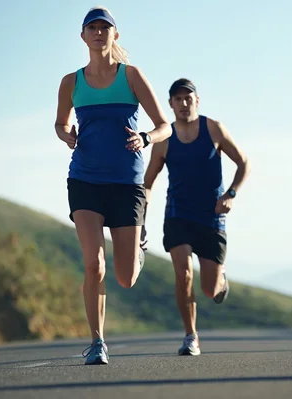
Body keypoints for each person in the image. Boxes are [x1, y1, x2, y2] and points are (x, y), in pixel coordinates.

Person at [54, 6, 172, 365]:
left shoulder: (131, 76)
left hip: (126, 184)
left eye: (105, 28)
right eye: (93, 27)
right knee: (94, 264)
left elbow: (164, 125)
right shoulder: (71, 82)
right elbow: (60, 124)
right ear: (83, 36)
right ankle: (97, 341)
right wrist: (67, 135)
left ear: (114, 35)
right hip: (85, 180)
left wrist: (145, 137)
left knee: (126, 277)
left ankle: (138, 246)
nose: (99, 32)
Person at [143, 78, 251, 356]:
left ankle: (220, 280)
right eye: (177, 99)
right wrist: (139, 218)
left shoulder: (213, 128)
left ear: (197, 100)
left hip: (212, 215)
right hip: (178, 214)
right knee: (183, 274)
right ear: (171, 104)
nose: (183, 103)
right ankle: (191, 336)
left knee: (209, 289)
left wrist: (231, 194)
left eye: (188, 98)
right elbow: (148, 183)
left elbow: (243, 163)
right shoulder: (164, 140)